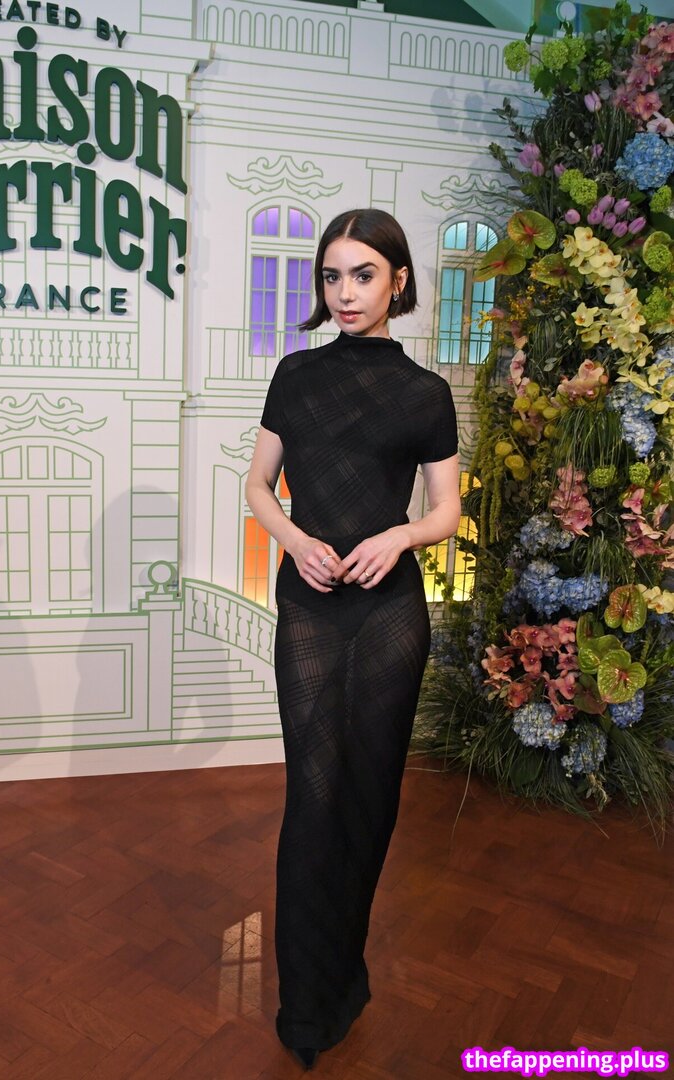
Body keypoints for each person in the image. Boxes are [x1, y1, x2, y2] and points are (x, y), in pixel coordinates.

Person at [245, 208, 461, 1071]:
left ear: (398, 281)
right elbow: (258, 486)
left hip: (389, 613)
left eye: (363, 274)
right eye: (332, 276)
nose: (345, 292)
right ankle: (306, 1003)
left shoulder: (426, 394)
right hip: (309, 602)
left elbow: (445, 511)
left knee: (369, 797)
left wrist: (400, 536)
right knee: (313, 796)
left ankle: (346, 974)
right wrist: (294, 540)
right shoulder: (295, 375)